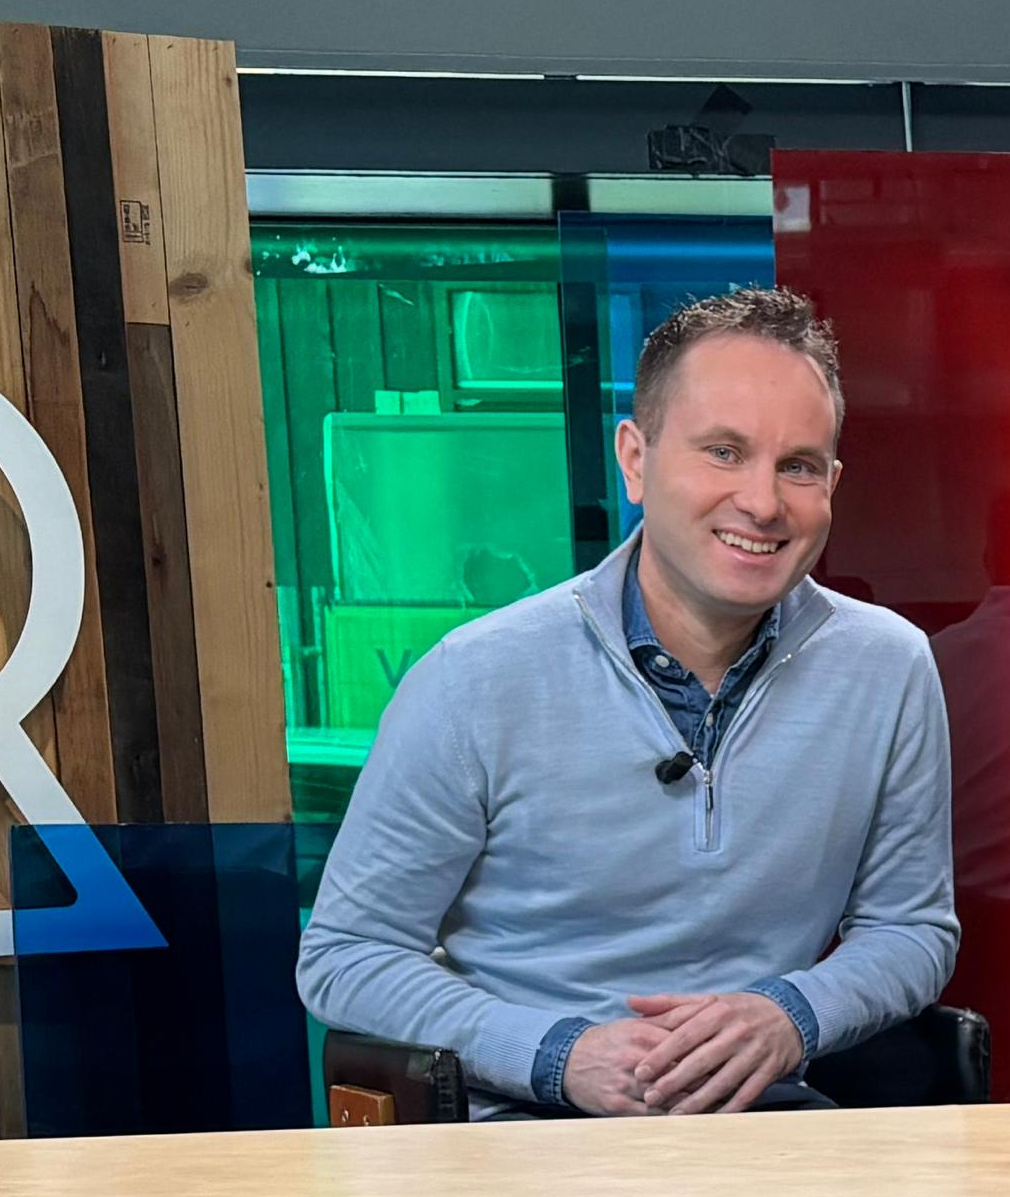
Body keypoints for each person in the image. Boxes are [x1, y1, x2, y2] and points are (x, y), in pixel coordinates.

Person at [300, 285, 954, 1115]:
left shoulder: (888, 668)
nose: (761, 502)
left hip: (770, 1138)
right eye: (723, 452)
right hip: (525, 1143)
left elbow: (911, 931)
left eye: (797, 466)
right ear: (635, 460)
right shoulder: (475, 678)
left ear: (831, 482)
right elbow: (347, 955)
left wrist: (788, 1019)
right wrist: (554, 1056)